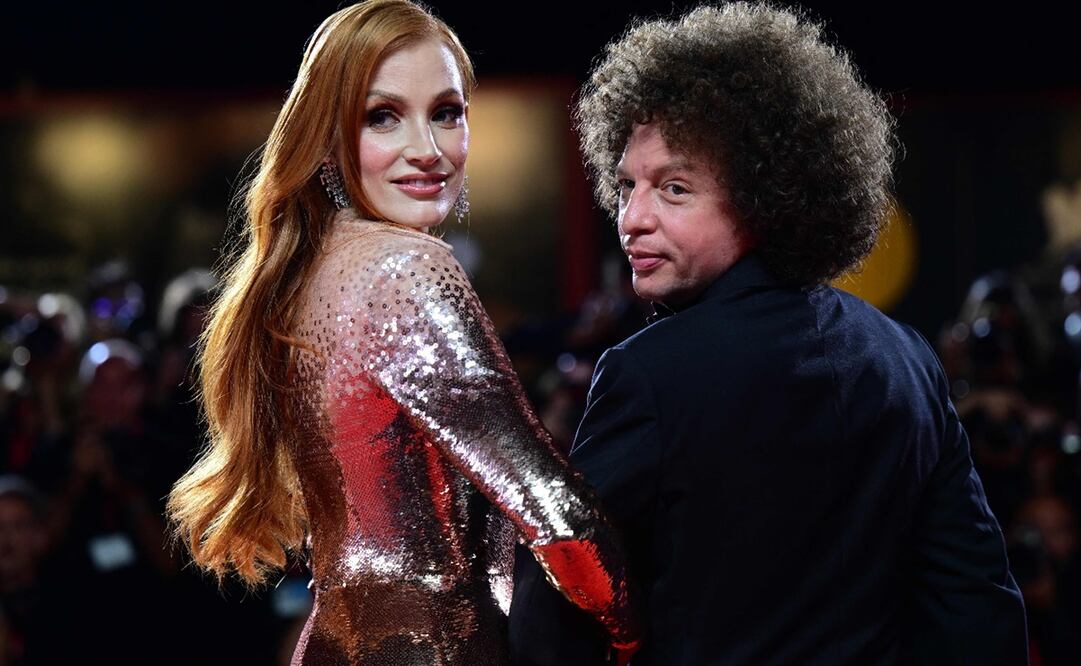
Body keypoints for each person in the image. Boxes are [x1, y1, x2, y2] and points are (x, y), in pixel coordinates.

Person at [509, 3, 1028, 665]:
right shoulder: (905, 359)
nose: (631, 219)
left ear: (767, 195)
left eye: (673, 188)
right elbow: (976, 607)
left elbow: (556, 609)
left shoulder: (648, 376)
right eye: (626, 185)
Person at [165, 2, 639, 664]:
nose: (427, 148)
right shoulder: (405, 271)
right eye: (382, 116)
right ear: (327, 138)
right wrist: (635, 634)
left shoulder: (310, 272)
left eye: (446, 112)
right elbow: (557, 517)